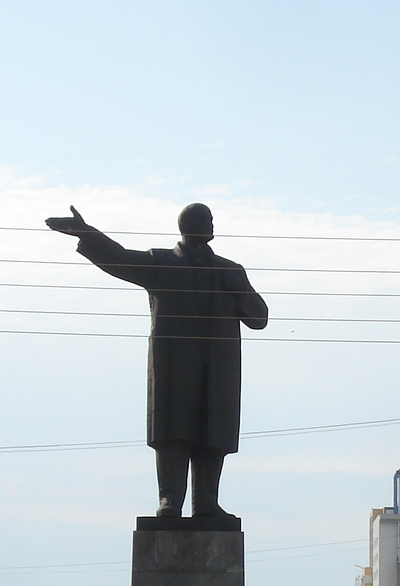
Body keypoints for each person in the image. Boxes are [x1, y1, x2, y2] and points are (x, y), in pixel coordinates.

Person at [46, 203, 268, 520]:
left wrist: (240, 291)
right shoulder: (161, 262)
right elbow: (120, 259)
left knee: (213, 430)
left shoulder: (230, 271)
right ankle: (170, 500)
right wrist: (86, 233)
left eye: (210, 220)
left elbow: (259, 318)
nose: (209, 225)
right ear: (186, 226)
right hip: (174, 362)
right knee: (173, 429)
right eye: (202, 220)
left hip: (219, 366)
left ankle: (207, 503)